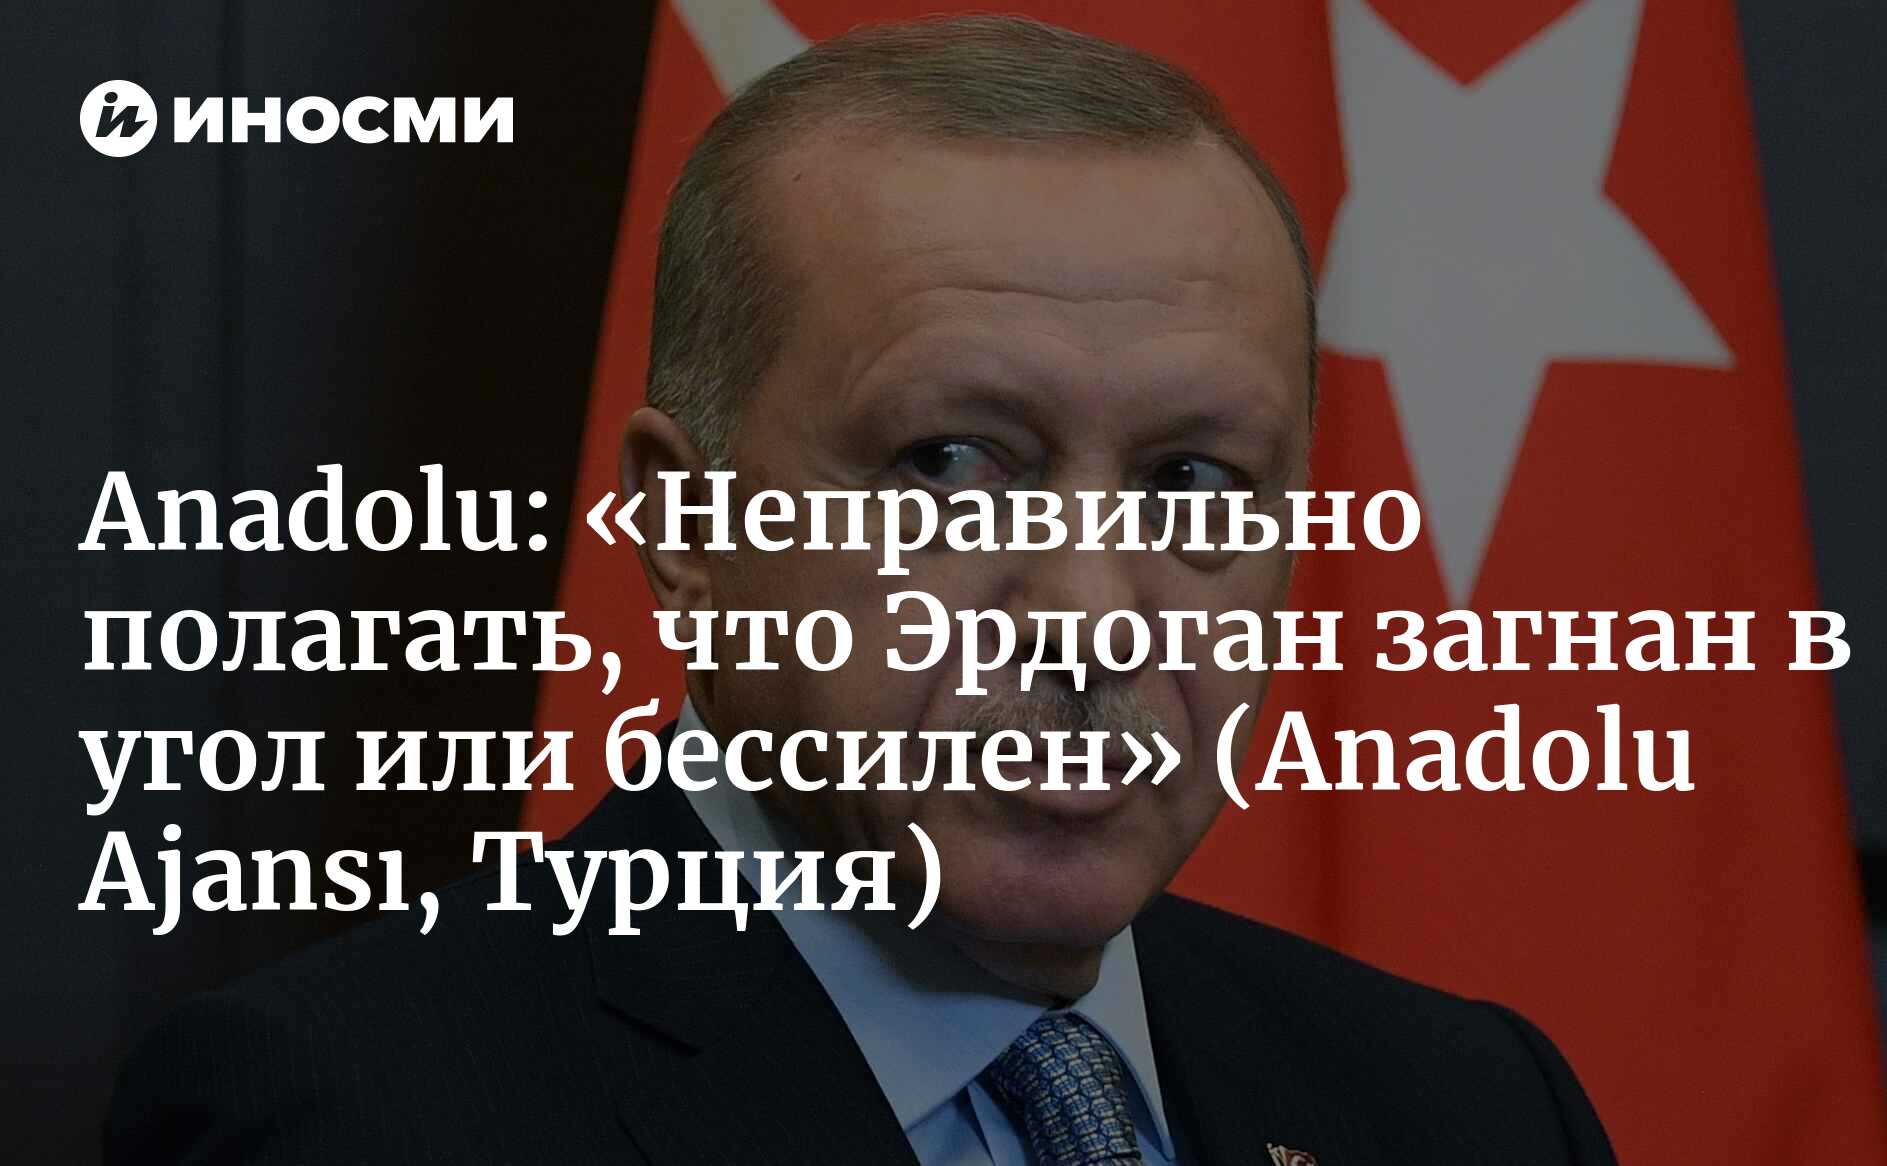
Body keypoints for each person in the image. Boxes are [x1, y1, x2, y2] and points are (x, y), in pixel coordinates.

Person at [107, 16, 1615, 1165]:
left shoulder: (1471, 1110)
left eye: (1191, 481)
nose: (1091, 617)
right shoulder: (353, 1112)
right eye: (951, 463)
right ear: (685, 522)